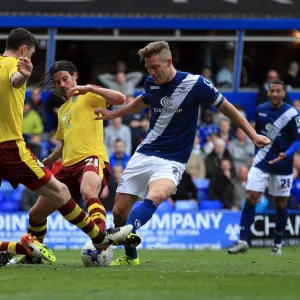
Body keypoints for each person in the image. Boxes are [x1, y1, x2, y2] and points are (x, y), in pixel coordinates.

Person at [94, 41, 270, 266]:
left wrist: (253, 134)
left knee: (156, 195)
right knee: (119, 211)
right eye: (148, 68)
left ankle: (126, 230)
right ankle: (131, 256)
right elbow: (143, 99)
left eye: (155, 67)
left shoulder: (195, 83)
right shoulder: (151, 82)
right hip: (146, 152)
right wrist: (115, 114)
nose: (151, 72)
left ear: (169, 62)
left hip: (173, 158)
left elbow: (227, 107)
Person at [0, 29, 132, 263]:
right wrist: (50, 160)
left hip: (91, 157)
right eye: (58, 81)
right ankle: (32, 253)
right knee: (36, 213)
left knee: (88, 191)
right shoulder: (62, 110)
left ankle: (101, 239)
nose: (62, 84)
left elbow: (120, 99)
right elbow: (63, 144)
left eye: (66, 79)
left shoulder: (90, 95)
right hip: (66, 165)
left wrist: (90, 88)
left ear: (75, 76)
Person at [227, 80, 300, 255]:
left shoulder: (292, 114)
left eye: (278, 91)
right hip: (261, 162)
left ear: (283, 93)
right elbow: (256, 134)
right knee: (251, 197)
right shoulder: (260, 110)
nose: (274, 94)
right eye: (271, 91)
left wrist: (287, 154)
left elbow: (298, 139)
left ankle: (277, 241)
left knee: (280, 203)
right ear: (268, 93)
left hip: (283, 164)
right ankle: (243, 241)